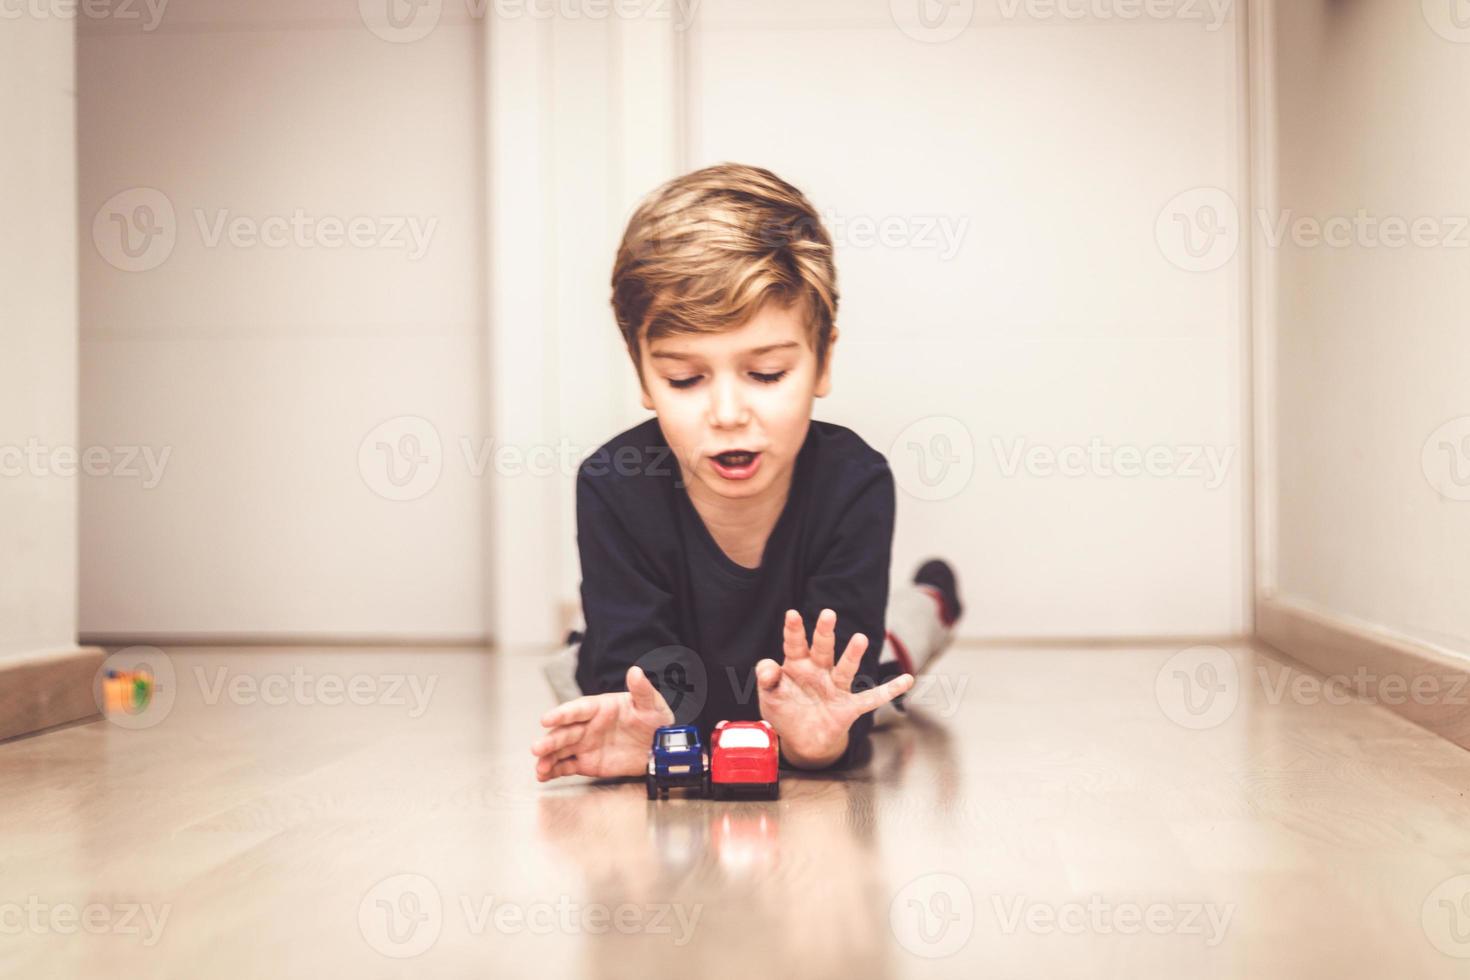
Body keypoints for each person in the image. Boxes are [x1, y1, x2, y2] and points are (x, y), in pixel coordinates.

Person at [531, 163, 963, 782]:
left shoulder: (854, 481)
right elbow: (634, 694)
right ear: (643, 374)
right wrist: (648, 737)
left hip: (811, 688)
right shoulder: (613, 484)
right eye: (685, 379)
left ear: (822, 362)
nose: (728, 414)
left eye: (765, 374)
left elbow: (842, 712)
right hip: (670, 676)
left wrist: (818, 743)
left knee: (889, 661)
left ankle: (931, 602)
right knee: (580, 662)